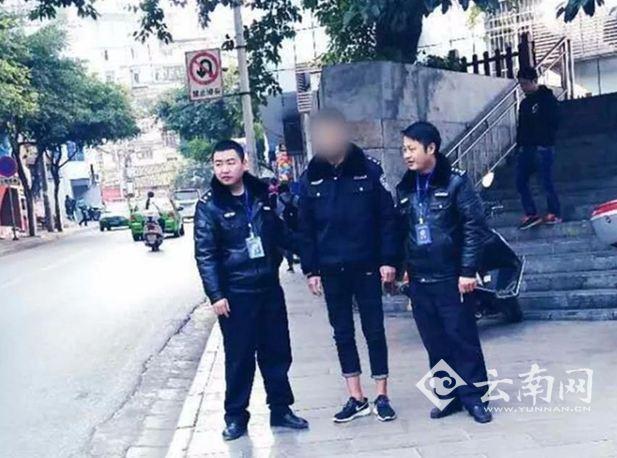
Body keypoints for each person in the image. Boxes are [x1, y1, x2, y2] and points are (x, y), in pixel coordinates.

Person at [194, 140, 308, 441]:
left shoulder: (262, 196)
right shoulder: (209, 206)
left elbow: (282, 234)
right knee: (239, 358)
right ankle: (235, 416)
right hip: (235, 295)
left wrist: (315, 256)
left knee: (277, 352)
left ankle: (281, 409)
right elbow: (205, 254)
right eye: (218, 164)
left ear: (244, 164)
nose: (224, 169)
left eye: (230, 162)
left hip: (269, 289)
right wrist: (216, 295)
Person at [298, 108, 398, 423]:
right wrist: (311, 270)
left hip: (367, 265)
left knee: (374, 330)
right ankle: (356, 397)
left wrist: (388, 260)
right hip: (331, 269)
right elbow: (305, 229)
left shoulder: (369, 170)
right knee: (342, 333)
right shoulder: (311, 176)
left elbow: (387, 218)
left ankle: (382, 394)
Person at [396, 121, 492, 424]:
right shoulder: (405, 187)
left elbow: (474, 227)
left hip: (452, 277)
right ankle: (449, 396)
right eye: (404, 149)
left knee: (462, 339)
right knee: (434, 342)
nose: (407, 155)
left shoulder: (456, 183)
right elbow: (403, 233)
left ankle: (475, 398)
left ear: (431, 148)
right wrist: (405, 269)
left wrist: (468, 270)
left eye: (412, 149)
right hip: (420, 280)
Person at [515, 66, 561, 230]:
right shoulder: (524, 104)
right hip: (526, 148)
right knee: (520, 181)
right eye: (521, 84)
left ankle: (554, 212)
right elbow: (521, 127)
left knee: (545, 181)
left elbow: (555, 122)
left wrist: (545, 141)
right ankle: (531, 213)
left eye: (525, 83)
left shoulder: (547, 99)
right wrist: (519, 145)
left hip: (543, 147)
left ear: (535, 81)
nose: (523, 87)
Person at [277, 182, 298, 272]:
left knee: (288, 245)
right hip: (297, 223)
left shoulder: (278, 200)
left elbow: (277, 212)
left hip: (284, 224)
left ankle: (290, 264)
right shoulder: (295, 197)